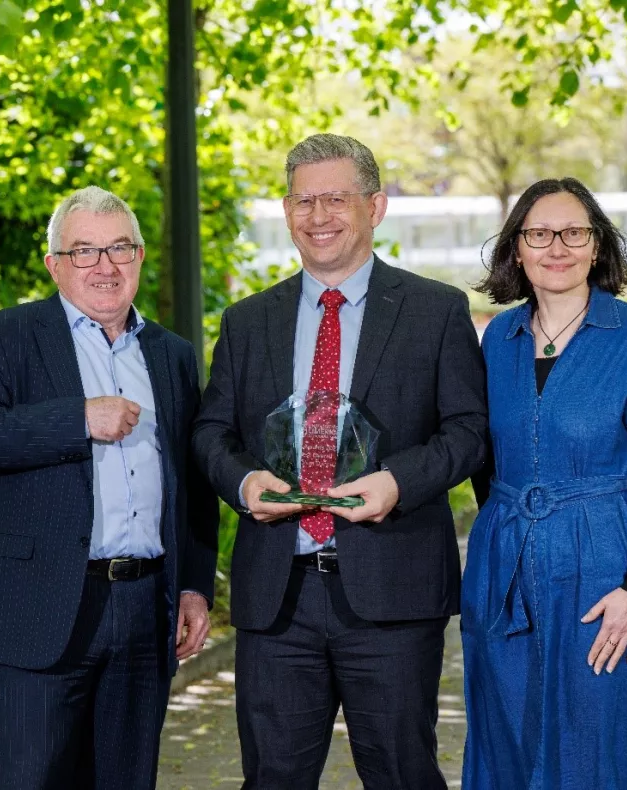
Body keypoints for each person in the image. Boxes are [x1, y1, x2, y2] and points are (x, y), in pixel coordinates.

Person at [192, 133, 487, 789]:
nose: (318, 216)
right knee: (271, 778)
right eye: (304, 201)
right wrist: (243, 482)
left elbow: (470, 433)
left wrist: (397, 482)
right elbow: (211, 432)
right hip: (278, 594)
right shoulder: (247, 321)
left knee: (402, 774)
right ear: (287, 209)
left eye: (335, 199)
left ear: (375, 206)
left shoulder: (434, 311)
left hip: (393, 590)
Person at [0, 186, 218, 790]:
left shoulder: (172, 356)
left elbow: (193, 482)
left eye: (118, 248)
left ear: (140, 256)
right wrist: (78, 419)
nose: (104, 265)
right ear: (55, 265)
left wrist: (195, 587)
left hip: (145, 609)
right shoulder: (6, 336)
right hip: (39, 609)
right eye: (85, 251)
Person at [461, 177, 627, 789]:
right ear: (517, 249)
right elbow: (488, 467)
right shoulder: (497, 341)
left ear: (597, 247)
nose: (555, 247)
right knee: (508, 733)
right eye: (538, 233)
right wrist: (510, 542)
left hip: (603, 575)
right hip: (504, 573)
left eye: (574, 232)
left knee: (601, 739)